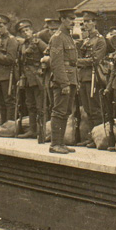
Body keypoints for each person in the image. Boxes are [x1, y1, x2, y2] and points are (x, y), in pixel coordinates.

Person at [48, 8, 79, 154]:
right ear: (62, 19)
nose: (73, 22)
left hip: (71, 78)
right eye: (70, 19)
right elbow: (56, 63)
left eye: (74, 19)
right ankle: (55, 144)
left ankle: (61, 143)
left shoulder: (68, 37)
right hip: (63, 80)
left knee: (66, 112)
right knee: (59, 111)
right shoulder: (58, 37)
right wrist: (64, 83)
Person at [76, 10, 108, 147]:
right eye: (85, 22)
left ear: (95, 22)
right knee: (87, 109)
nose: (87, 24)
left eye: (89, 21)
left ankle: (99, 137)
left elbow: (95, 60)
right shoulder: (85, 40)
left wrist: (78, 61)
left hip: (94, 77)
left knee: (95, 109)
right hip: (83, 77)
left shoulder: (100, 40)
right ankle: (90, 136)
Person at [16, 19, 48, 139]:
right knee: (30, 104)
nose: (25, 32)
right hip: (27, 78)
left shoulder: (38, 42)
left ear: (32, 30)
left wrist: (42, 67)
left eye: (27, 30)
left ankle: (43, 130)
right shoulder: (22, 45)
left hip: (38, 78)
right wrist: (20, 77)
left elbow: (49, 53)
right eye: (22, 31)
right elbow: (20, 63)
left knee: (41, 105)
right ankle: (32, 130)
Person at [0, 14, 19, 124]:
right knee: (1, 102)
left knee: (9, 101)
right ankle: (3, 124)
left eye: (1, 26)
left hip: (8, 75)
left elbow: (10, 59)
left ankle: (9, 125)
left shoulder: (12, 40)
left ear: (8, 26)